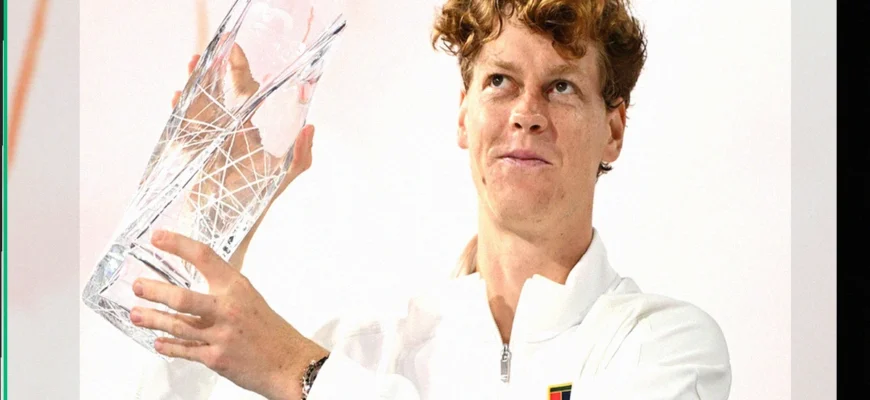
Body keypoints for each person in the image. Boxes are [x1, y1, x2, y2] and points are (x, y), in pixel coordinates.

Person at [129, 0, 732, 399]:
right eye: (500, 81)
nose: (526, 113)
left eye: (562, 87)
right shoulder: (365, 349)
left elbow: (297, 369)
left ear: (614, 130)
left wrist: (298, 372)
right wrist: (217, 225)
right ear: (464, 116)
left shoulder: (664, 346)